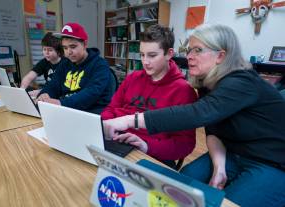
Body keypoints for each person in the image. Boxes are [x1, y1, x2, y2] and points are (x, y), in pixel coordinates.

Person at [103, 24, 285, 207]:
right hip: (232, 153)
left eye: (198, 50)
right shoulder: (208, 84)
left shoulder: (242, 81)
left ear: (220, 56)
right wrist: (219, 167)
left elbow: (199, 113)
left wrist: (129, 120)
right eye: (189, 50)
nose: (189, 56)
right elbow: (213, 131)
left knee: (227, 202)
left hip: (272, 162)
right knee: (182, 183)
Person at [101, 24, 197, 168]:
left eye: (152, 55)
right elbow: (111, 108)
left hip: (151, 152)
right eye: (142, 54)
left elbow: (184, 144)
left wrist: (146, 145)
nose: (145, 62)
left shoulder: (184, 91)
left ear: (169, 54)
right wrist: (107, 126)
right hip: (117, 140)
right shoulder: (132, 78)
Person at [37, 22, 113, 113]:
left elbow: (91, 93)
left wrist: (61, 103)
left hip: (91, 112)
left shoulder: (100, 64)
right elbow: (53, 84)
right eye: (65, 48)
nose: (68, 52)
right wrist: (44, 94)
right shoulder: (65, 63)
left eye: (73, 47)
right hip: (67, 110)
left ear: (85, 44)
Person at [20, 32, 67, 97]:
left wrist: (41, 91)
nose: (46, 53)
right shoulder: (44, 62)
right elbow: (29, 77)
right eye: (44, 49)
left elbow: (61, 87)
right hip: (47, 92)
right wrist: (22, 90)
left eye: (50, 50)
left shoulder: (66, 63)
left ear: (59, 52)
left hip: (59, 95)